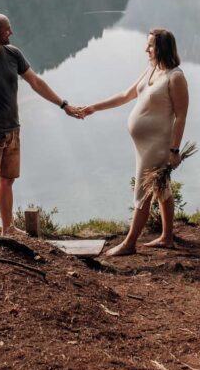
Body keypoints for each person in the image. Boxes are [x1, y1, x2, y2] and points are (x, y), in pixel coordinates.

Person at [0, 12, 82, 234]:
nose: (11, 32)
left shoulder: (12, 54)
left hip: (12, 132)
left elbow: (35, 82)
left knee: (7, 181)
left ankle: (8, 229)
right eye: (7, 29)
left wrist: (64, 105)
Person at [81, 28, 189, 256]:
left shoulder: (175, 77)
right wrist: (94, 108)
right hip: (143, 145)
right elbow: (125, 95)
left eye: (150, 45)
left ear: (162, 48)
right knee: (162, 188)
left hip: (158, 145)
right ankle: (167, 237)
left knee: (142, 191)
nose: (146, 49)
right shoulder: (152, 69)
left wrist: (174, 150)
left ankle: (129, 244)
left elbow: (181, 116)